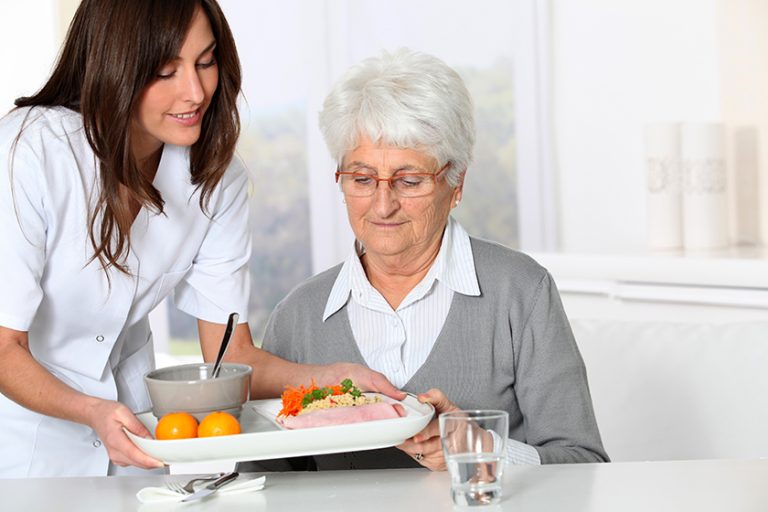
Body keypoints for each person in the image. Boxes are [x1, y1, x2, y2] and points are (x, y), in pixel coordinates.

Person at [0, 0, 399, 479]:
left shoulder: (216, 177)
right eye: (166, 70)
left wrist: (329, 379)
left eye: (205, 63)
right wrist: (90, 411)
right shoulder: (31, 152)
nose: (194, 91)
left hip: (135, 437)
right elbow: (4, 347)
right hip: (23, 443)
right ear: (112, 67)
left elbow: (229, 356)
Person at [245, 48, 609, 472]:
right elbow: (264, 477)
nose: (382, 206)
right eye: (362, 179)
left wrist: (482, 452)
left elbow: (585, 466)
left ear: (456, 184)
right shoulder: (299, 316)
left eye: (409, 180)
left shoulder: (521, 292)